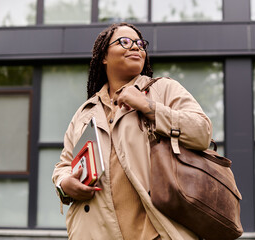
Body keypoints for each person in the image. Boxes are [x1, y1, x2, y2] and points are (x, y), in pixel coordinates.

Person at [52, 22, 212, 240]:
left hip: (156, 231)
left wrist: (149, 107)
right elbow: (64, 164)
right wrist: (65, 184)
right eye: (125, 42)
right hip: (93, 232)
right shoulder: (85, 111)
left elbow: (202, 132)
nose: (136, 47)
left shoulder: (163, 89)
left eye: (140, 43)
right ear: (104, 56)